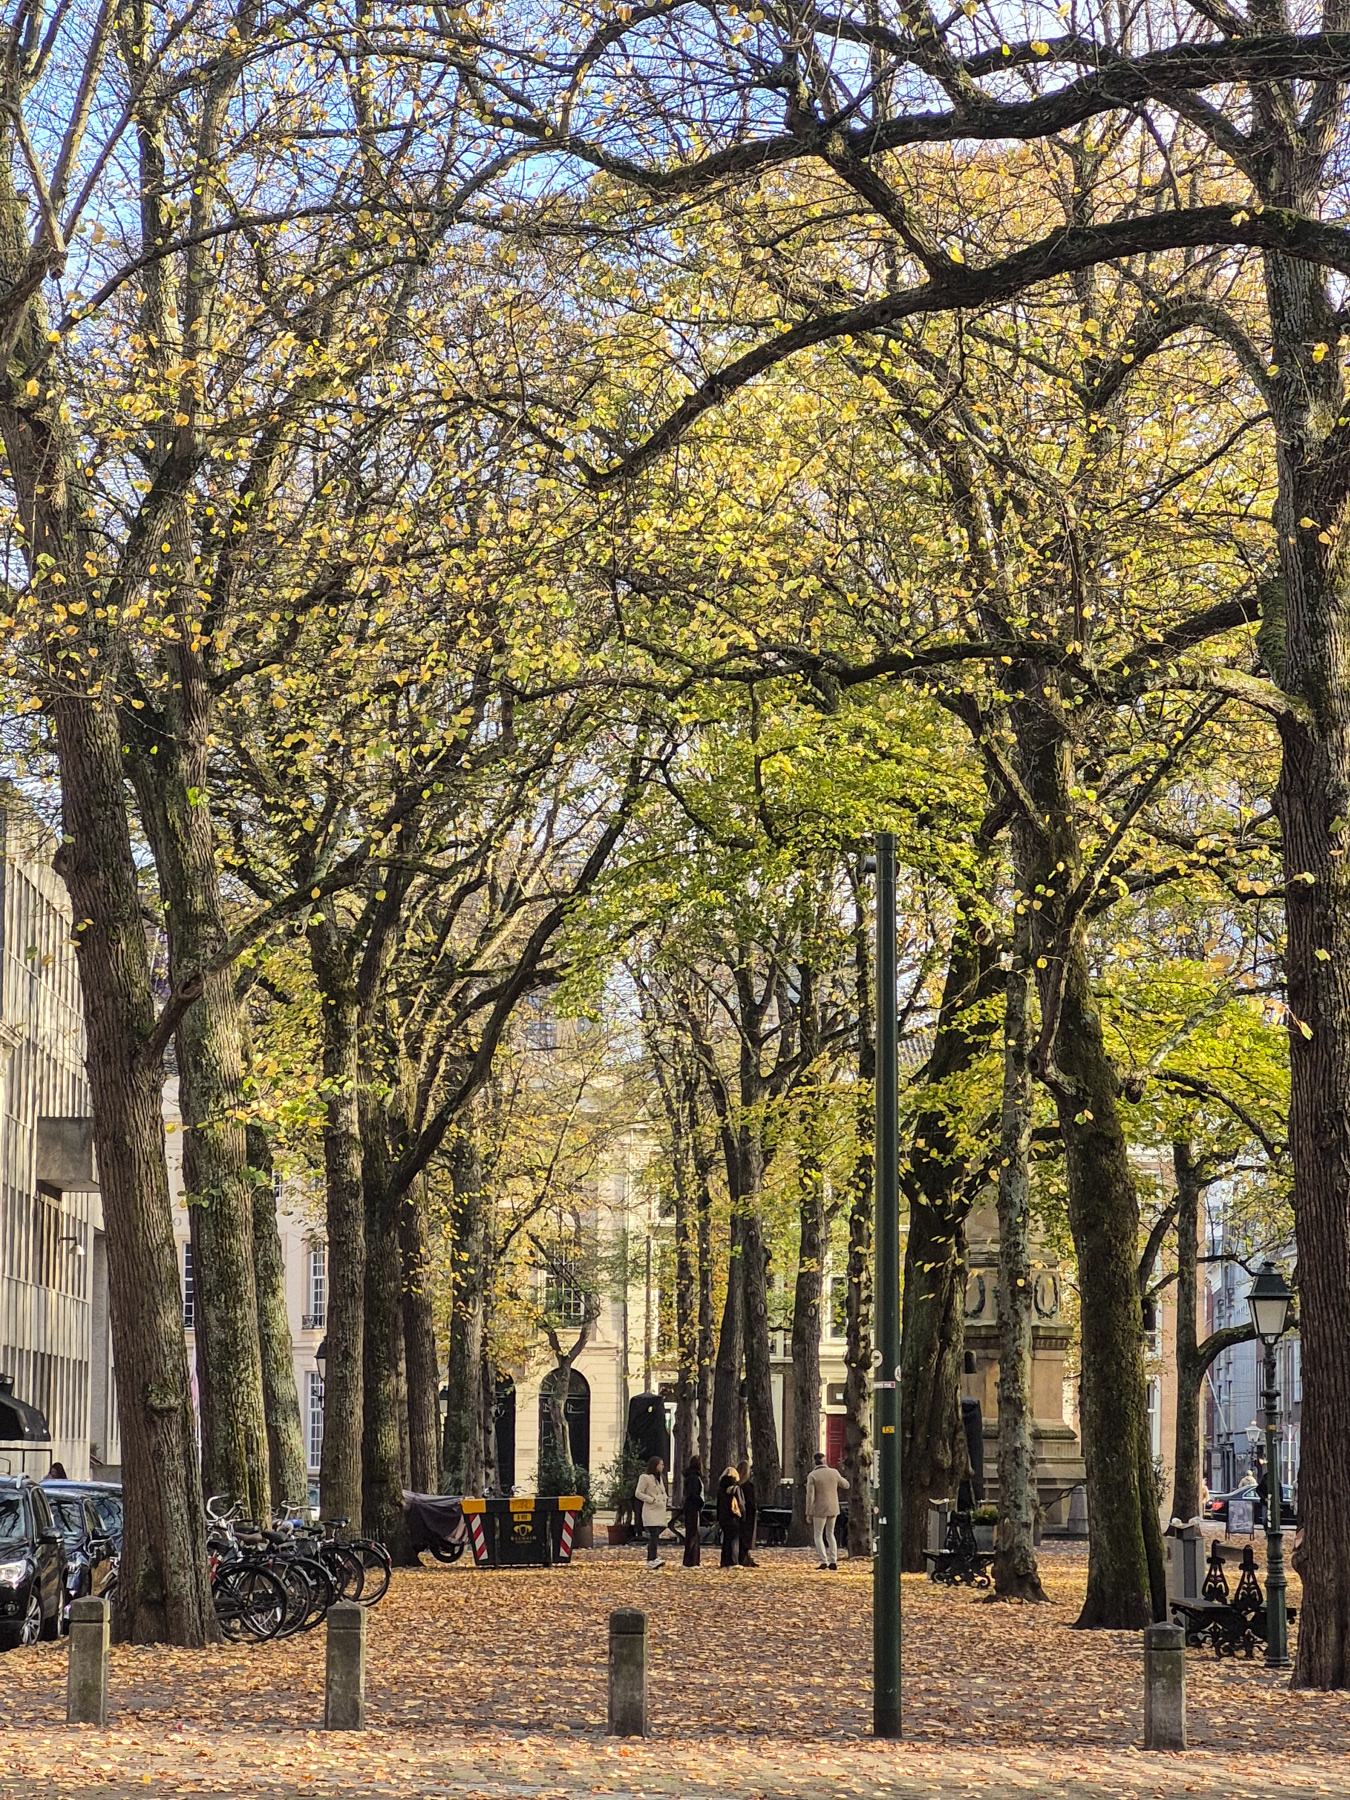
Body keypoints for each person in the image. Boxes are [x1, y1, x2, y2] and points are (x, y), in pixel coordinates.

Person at [805, 1450, 848, 1570]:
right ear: (825, 1461)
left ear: (814, 1463)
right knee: (830, 1534)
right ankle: (833, 1560)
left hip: (819, 1509)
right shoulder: (834, 1472)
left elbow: (810, 1496)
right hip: (833, 1507)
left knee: (818, 1535)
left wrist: (808, 1512)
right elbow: (846, 1485)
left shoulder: (812, 1476)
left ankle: (823, 1560)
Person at [634, 1455, 669, 1570]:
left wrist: (665, 1498)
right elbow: (638, 1493)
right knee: (653, 1535)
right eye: (661, 1464)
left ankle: (653, 1557)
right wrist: (651, 1500)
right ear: (655, 1465)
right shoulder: (645, 1477)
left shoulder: (660, 1477)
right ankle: (651, 1559)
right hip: (651, 1510)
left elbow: (662, 1491)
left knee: (656, 1535)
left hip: (659, 1510)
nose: (663, 1466)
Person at [717, 1466, 743, 1567]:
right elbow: (740, 1503)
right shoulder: (735, 1488)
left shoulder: (721, 1489)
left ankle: (724, 1561)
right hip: (733, 1517)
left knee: (726, 1540)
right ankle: (733, 1561)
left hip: (723, 1517)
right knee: (734, 1539)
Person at [682, 1455, 705, 1567]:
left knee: (692, 1534)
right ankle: (691, 1560)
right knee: (692, 1534)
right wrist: (700, 1502)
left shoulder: (691, 1477)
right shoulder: (694, 1478)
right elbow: (693, 1494)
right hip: (693, 1508)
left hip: (691, 1507)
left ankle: (693, 1559)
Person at [736, 1458, 758, 1567]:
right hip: (748, 1514)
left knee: (741, 1535)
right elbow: (751, 1502)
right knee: (746, 1536)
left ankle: (745, 1556)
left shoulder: (736, 1485)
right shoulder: (748, 1486)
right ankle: (744, 1557)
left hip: (738, 1514)